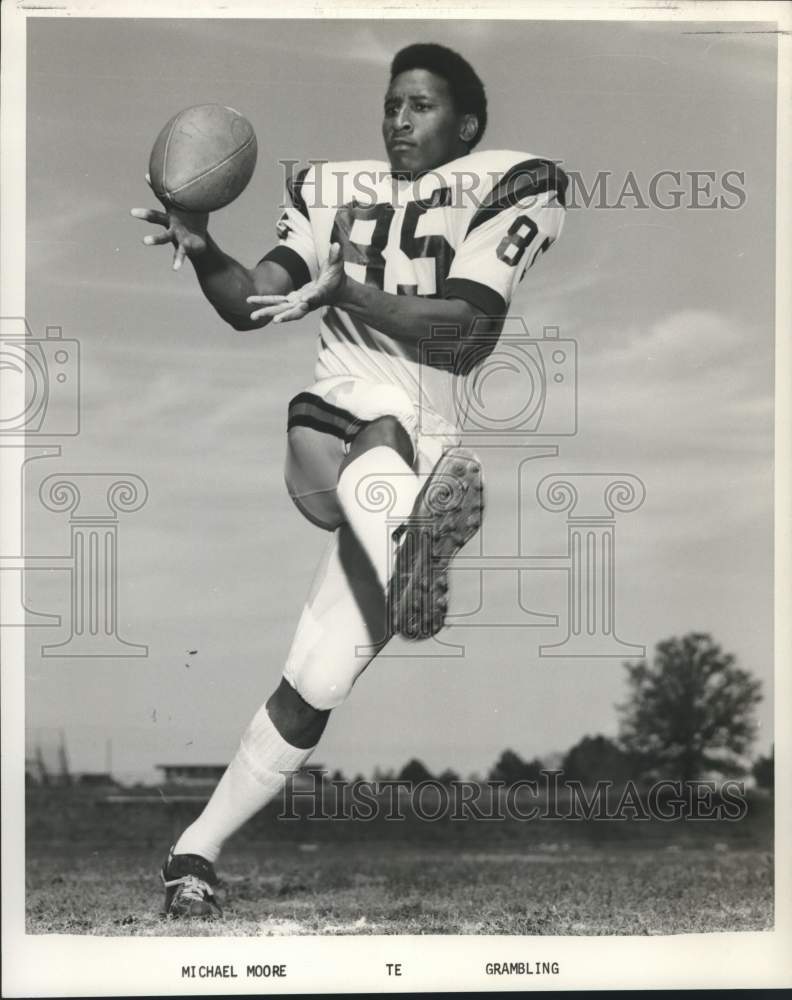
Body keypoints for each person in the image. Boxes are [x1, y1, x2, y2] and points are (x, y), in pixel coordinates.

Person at [132, 42, 567, 918]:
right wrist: (204, 242)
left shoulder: (515, 184)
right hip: (330, 437)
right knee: (379, 428)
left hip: (421, 458)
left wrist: (348, 292)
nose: (398, 120)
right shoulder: (334, 189)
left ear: (469, 125)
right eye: (391, 103)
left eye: (421, 106)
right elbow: (255, 299)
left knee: (317, 683)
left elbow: (468, 333)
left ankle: (194, 851)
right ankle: (413, 541)